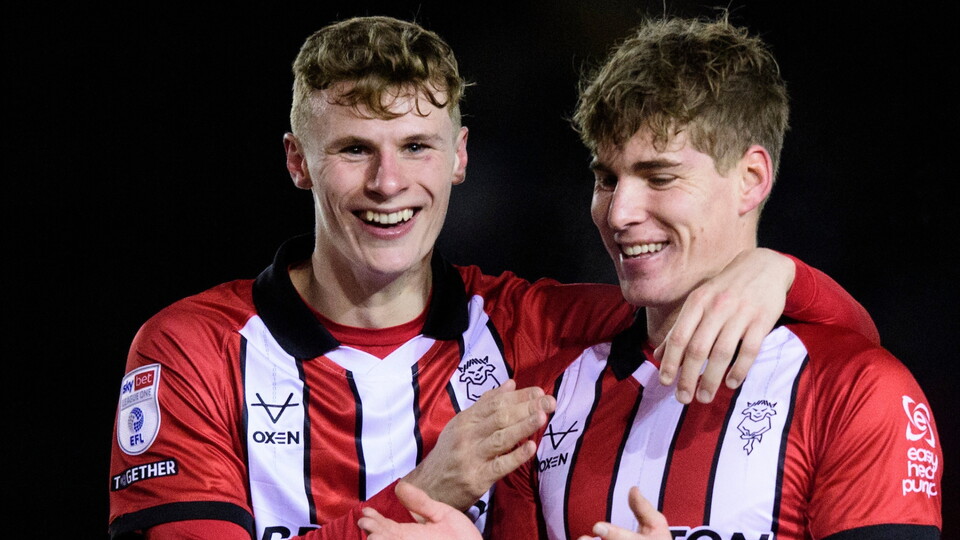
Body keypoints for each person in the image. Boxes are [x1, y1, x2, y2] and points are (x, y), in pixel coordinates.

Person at [108, 15, 882, 540]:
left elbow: (834, 360)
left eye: (417, 146)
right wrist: (424, 494)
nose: (388, 183)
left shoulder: (529, 329)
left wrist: (776, 274)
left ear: (461, 157)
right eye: (353, 150)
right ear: (297, 162)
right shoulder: (192, 351)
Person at [357, 14, 943, 540]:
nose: (618, 213)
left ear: (751, 179)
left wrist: (786, 272)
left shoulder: (859, 390)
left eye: (658, 177)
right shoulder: (548, 401)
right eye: (607, 178)